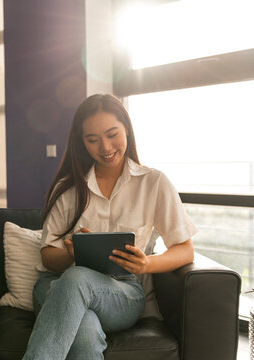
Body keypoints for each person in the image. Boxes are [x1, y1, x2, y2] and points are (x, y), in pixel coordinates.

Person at [22, 94, 198, 360]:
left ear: (126, 128)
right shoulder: (68, 188)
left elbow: (185, 250)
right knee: (85, 326)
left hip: (122, 292)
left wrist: (146, 264)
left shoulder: (154, 183)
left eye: (112, 134)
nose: (104, 147)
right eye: (92, 140)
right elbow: (48, 258)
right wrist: (70, 253)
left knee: (76, 278)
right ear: (81, 142)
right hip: (55, 286)